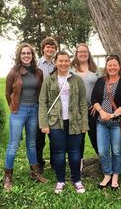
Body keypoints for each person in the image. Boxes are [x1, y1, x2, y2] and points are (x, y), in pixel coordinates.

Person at [39, 51, 89, 194]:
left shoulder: (77, 80)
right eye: (60, 61)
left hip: (75, 122)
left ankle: (76, 180)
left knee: (74, 153)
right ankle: (60, 180)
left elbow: (83, 104)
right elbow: (43, 102)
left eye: (66, 61)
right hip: (55, 122)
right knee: (59, 153)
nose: (63, 63)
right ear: (55, 62)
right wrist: (44, 124)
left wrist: (84, 124)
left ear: (70, 62)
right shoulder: (49, 80)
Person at [3, 43, 46, 191]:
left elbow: (41, 92)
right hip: (18, 111)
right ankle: (7, 177)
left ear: (32, 55)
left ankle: (35, 173)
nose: (26, 56)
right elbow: (7, 93)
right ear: (19, 56)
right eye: (23, 53)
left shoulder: (38, 72)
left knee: (32, 144)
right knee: (13, 144)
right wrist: (13, 107)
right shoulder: (13, 73)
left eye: (29, 53)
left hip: (34, 110)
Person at [91, 55, 121, 190]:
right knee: (103, 151)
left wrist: (113, 114)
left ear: (119, 66)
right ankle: (107, 174)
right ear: (106, 66)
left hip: (117, 123)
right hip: (101, 122)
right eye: (110, 65)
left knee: (116, 151)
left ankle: (115, 176)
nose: (112, 67)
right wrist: (102, 112)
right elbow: (94, 99)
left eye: (115, 65)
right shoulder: (100, 81)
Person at [71, 43, 99, 171]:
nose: (82, 53)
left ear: (88, 54)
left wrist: (97, 104)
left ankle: (103, 160)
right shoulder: (71, 70)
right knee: (79, 139)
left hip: (92, 110)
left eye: (85, 51)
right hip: (77, 111)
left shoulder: (95, 70)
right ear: (76, 54)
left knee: (95, 136)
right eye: (80, 51)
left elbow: (102, 89)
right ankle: (79, 164)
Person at [37, 36, 57, 172]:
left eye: (52, 47)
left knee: (55, 138)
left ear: (55, 50)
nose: (50, 49)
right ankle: (39, 164)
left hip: (54, 106)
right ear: (43, 49)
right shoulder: (36, 64)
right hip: (39, 105)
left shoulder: (57, 65)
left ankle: (55, 164)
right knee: (39, 139)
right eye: (47, 46)